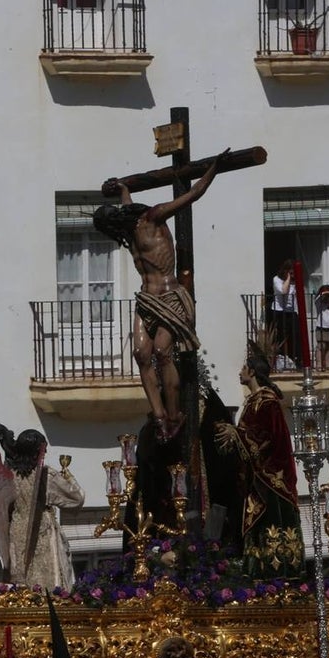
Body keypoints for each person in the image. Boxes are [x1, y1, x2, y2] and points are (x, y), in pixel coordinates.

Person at [93, 150, 228, 442]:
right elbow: (126, 204)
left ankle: (174, 413)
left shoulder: (153, 217)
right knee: (141, 353)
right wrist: (124, 189)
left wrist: (213, 168)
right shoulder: (129, 230)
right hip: (146, 300)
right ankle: (158, 416)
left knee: (162, 352)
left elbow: (191, 195)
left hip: (170, 297)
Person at [214, 352, 303, 578]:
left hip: (272, 480)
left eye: (244, 367)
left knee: (273, 528)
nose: (240, 371)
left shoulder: (267, 402)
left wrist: (237, 434)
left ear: (252, 372)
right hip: (256, 479)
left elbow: (267, 438)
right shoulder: (254, 402)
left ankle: (279, 573)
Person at [0, 427, 85, 589]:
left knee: (23, 584)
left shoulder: (8, 475)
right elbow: (76, 498)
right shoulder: (46, 475)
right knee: (47, 583)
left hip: (16, 529)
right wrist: (67, 475)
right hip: (41, 530)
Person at [270, 260, 300, 367]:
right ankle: (279, 360)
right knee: (280, 336)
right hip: (279, 311)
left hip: (291, 311)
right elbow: (283, 291)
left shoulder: (295, 282)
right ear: (286, 271)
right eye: (290, 273)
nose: (292, 276)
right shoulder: (276, 279)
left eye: (293, 274)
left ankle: (295, 359)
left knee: (295, 336)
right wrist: (287, 279)